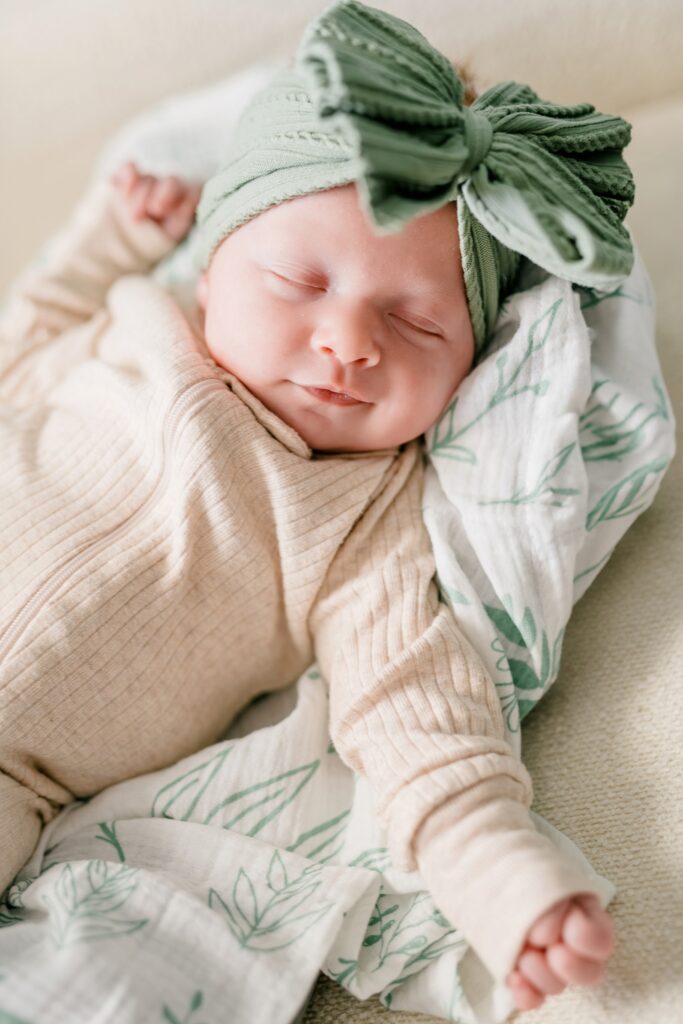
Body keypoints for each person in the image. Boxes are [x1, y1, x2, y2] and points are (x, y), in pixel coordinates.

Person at [0, 0, 635, 1013]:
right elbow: (28, 331)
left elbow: (411, 707)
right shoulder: (133, 324)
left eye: (416, 324)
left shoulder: (363, 523)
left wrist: (502, 877)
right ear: (211, 271)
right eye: (298, 279)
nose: (347, 341)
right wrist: (112, 235)